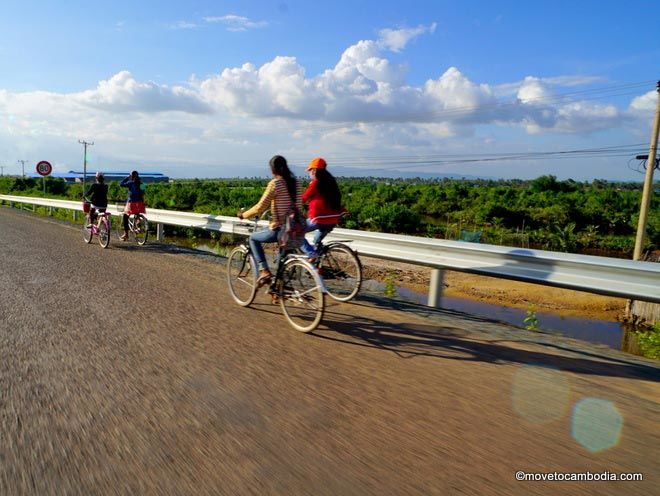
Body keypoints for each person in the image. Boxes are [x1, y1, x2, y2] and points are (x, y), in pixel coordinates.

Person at [237, 155, 302, 286]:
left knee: (253, 238)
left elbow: (260, 207)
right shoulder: (297, 182)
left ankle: (264, 271)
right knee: (281, 260)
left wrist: (243, 215)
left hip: (280, 229)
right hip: (296, 228)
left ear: (273, 169)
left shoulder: (275, 184)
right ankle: (278, 289)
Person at [301, 157, 344, 259]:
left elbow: (304, 198)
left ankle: (312, 255)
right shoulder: (332, 182)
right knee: (316, 243)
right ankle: (318, 266)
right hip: (333, 219)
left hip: (319, 219)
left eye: (310, 170)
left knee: (296, 232)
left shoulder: (316, 182)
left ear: (314, 170)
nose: (309, 173)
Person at [120, 170, 146, 241]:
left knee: (125, 217)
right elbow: (143, 194)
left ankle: (126, 234)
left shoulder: (130, 183)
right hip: (140, 203)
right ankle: (139, 226)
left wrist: (127, 178)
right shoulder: (142, 184)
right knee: (137, 214)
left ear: (131, 176)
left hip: (131, 203)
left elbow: (121, 184)